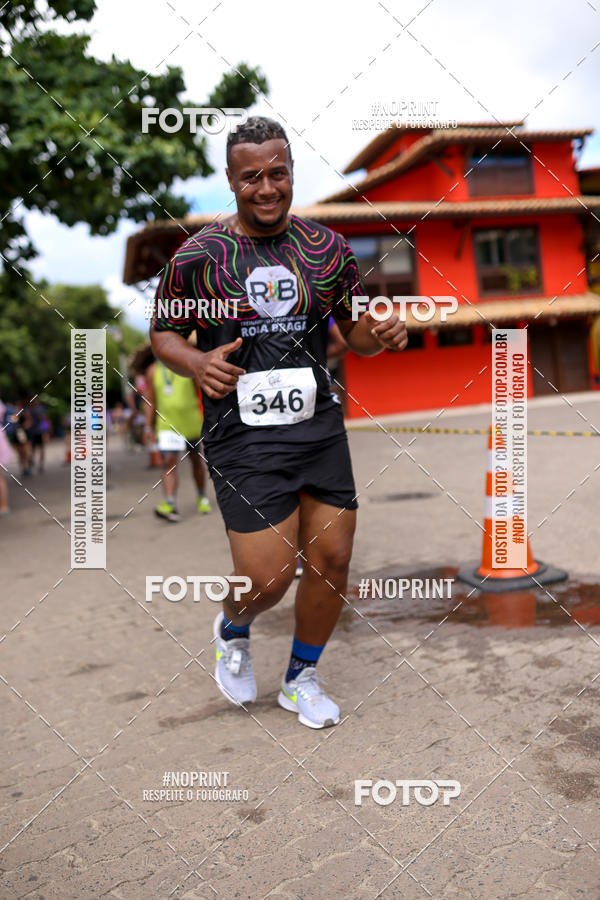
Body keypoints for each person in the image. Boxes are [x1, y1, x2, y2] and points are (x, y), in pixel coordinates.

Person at [150, 116, 407, 728]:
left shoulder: (327, 250)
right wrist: (196, 360)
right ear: (231, 181)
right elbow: (162, 333)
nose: (266, 188)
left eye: (277, 174)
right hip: (240, 438)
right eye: (251, 178)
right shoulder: (201, 257)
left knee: (334, 560)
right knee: (267, 577)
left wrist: (381, 332)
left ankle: (301, 678)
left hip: (318, 427)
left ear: (291, 172)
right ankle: (234, 624)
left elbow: (355, 337)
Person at [143, 356, 211, 522]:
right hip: (167, 425)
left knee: (196, 461)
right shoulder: (153, 371)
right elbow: (151, 400)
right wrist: (147, 426)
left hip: (191, 422)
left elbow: (200, 392)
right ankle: (170, 503)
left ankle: (202, 496)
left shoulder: (187, 365)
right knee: (169, 461)